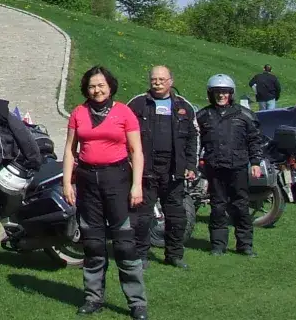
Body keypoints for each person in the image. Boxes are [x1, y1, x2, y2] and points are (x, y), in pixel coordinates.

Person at [62, 66, 147, 319]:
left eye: (101, 85)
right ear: (86, 89)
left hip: (117, 180)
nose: (96, 90)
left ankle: (137, 303)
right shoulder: (79, 113)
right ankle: (93, 298)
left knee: (124, 244)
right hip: (88, 181)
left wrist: (137, 184)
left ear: (110, 86)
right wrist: (67, 182)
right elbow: (69, 150)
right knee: (93, 243)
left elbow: (136, 151)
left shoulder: (124, 112)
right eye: (91, 86)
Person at [127, 65, 198, 270]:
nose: (157, 83)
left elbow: (194, 137)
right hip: (146, 170)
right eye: (154, 79)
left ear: (171, 81)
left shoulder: (183, 106)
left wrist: (191, 164)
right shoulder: (138, 103)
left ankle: (174, 255)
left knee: (176, 217)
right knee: (142, 217)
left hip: (174, 170)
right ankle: (141, 256)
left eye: (161, 79)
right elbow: (123, 133)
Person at [196, 74, 265, 257]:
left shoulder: (245, 115)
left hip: (238, 167)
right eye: (217, 92)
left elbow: (255, 140)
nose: (221, 96)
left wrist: (256, 162)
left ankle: (245, 245)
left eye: (225, 92)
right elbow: (194, 143)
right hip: (215, 167)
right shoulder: (203, 116)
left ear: (231, 93)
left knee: (240, 206)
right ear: (211, 94)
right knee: (217, 206)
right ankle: (218, 245)